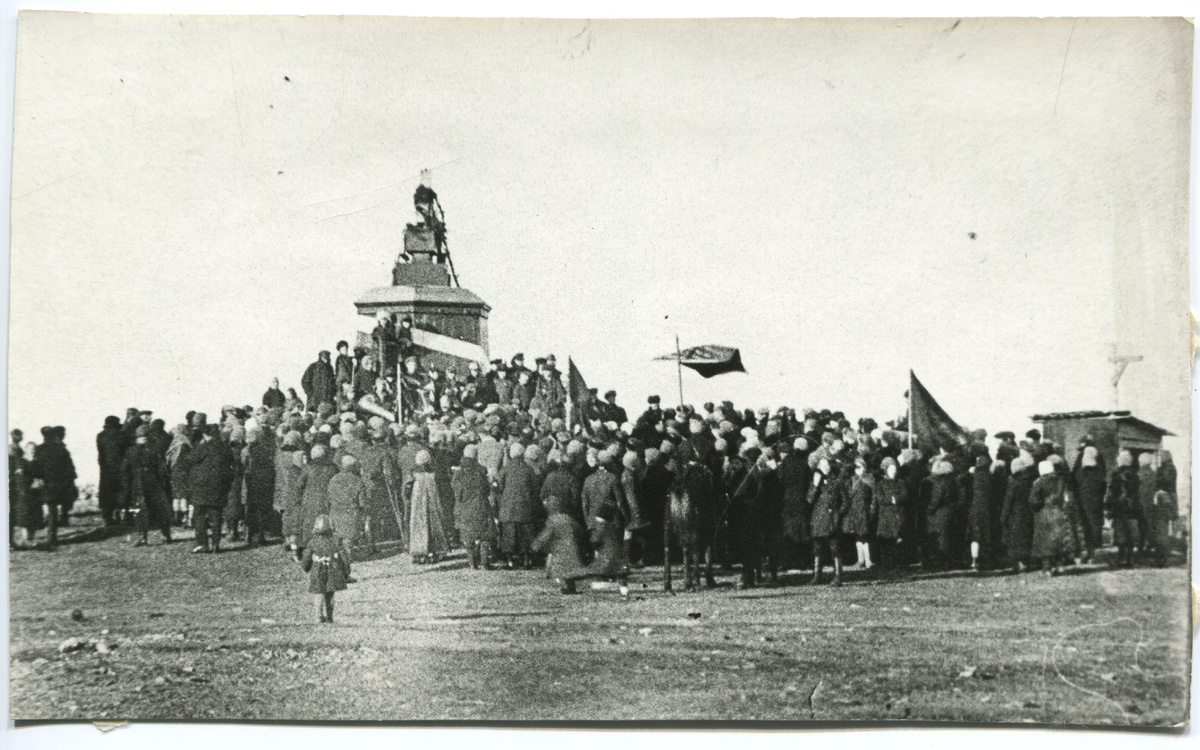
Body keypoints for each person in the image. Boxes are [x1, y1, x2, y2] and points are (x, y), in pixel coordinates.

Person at [183, 425, 234, 554]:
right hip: (219, 486)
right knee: (216, 514)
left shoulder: (202, 447)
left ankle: (202, 543)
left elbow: (189, 460)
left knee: (199, 515)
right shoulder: (225, 448)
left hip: (201, 486)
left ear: (205, 435)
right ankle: (216, 544)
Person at [120, 425, 173, 546]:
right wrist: (163, 483)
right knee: (160, 510)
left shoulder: (131, 451)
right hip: (153, 484)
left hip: (138, 484)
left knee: (141, 511)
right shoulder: (154, 450)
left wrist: (127, 486)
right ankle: (166, 535)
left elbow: (124, 470)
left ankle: (142, 537)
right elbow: (162, 470)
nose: (143, 438)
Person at [29, 426, 77, 547]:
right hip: (61, 483)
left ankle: (51, 537)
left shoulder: (40, 449)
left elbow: (35, 467)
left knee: (52, 510)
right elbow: (70, 468)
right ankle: (58, 529)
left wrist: (38, 477)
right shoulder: (61, 449)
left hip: (48, 484)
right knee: (60, 508)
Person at [532, 494, 589, 594]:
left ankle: (566, 587)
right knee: (570, 570)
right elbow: (579, 530)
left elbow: (546, 535)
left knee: (560, 569)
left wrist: (536, 545)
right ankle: (571, 587)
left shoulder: (552, 520)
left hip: (560, 549)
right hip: (573, 546)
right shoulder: (568, 518)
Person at [497, 442, 541, 569]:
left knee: (509, 534)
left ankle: (510, 560)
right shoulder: (528, 469)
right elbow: (535, 488)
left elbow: (500, 487)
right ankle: (527, 560)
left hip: (508, 507)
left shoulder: (505, 468)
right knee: (526, 535)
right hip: (525, 506)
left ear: (511, 454)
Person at [300, 515, 351, 624]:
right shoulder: (337, 541)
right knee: (330, 594)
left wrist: (306, 568)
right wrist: (346, 572)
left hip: (317, 571)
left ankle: (318, 616)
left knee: (318, 593)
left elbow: (306, 559)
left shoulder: (312, 542)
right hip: (333, 570)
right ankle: (329, 617)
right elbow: (344, 559)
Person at [1029, 459, 1076, 575]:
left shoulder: (1039, 482)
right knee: (1058, 540)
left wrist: (1037, 507)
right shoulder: (1060, 481)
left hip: (1044, 513)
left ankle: (1047, 568)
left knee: (1045, 542)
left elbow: (1033, 500)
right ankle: (1059, 565)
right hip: (1058, 512)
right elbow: (1067, 497)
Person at [453, 443, 497, 569]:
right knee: (484, 535)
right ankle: (484, 562)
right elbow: (486, 490)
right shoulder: (481, 471)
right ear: (476, 456)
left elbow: (457, 494)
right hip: (481, 506)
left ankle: (472, 562)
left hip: (465, 508)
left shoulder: (458, 473)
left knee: (468, 536)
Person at [409, 449, 451, 564]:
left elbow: (408, 487)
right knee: (434, 523)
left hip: (418, 503)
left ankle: (419, 552)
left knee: (418, 524)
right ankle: (436, 550)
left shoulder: (414, 473)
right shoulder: (433, 473)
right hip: (432, 501)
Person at [808, 456, 845, 586]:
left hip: (832, 520)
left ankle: (838, 576)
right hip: (818, 518)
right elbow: (809, 499)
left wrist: (837, 514)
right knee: (817, 548)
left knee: (835, 547)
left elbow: (845, 501)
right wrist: (815, 484)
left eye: (827, 465)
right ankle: (817, 576)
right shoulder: (815, 481)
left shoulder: (837, 481)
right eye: (822, 466)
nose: (825, 468)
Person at [1000, 454, 1037, 572]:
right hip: (1028, 513)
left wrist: (1003, 517)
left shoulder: (1013, 482)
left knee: (1016, 539)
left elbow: (1008, 501)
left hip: (1015, 514)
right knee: (1026, 537)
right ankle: (1026, 562)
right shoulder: (1029, 480)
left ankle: (1019, 563)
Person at [1105, 450, 1140, 568]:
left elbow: (1110, 492)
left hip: (1120, 508)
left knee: (1120, 533)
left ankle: (1120, 559)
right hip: (1133, 508)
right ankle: (1130, 560)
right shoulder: (1135, 475)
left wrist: (1108, 506)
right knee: (1131, 533)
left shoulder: (1115, 474)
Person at [242, 425, 276, 547]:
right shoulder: (267, 450)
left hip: (249, 483)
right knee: (261, 510)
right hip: (263, 484)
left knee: (249, 509)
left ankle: (248, 534)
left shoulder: (245, 451)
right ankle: (260, 535)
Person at [327, 455, 367, 554]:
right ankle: (348, 554)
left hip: (336, 513)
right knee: (348, 538)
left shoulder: (334, 479)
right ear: (353, 467)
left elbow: (328, 497)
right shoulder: (357, 481)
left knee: (337, 535)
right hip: (351, 514)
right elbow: (362, 502)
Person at [1074, 446, 1106, 560]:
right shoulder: (1099, 473)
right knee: (1094, 527)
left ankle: (1088, 552)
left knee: (1085, 527)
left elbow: (1075, 485)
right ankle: (1092, 553)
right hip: (1096, 503)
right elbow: (1103, 488)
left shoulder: (1080, 473)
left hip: (1083, 503)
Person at [874, 457, 906, 571]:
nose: (894, 471)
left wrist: (895, 499)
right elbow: (880, 499)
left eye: (895, 469)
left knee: (899, 539)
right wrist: (891, 500)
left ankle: (899, 563)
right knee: (886, 541)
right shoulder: (881, 484)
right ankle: (887, 563)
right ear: (886, 470)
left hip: (898, 515)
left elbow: (905, 496)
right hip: (886, 516)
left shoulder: (901, 483)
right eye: (891, 469)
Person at [96, 416, 126, 526]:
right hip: (119, 467)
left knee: (106, 493)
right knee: (119, 491)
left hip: (105, 468)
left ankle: (106, 517)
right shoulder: (120, 435)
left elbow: (101, 452)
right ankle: (118, 514)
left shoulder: (100, 435)